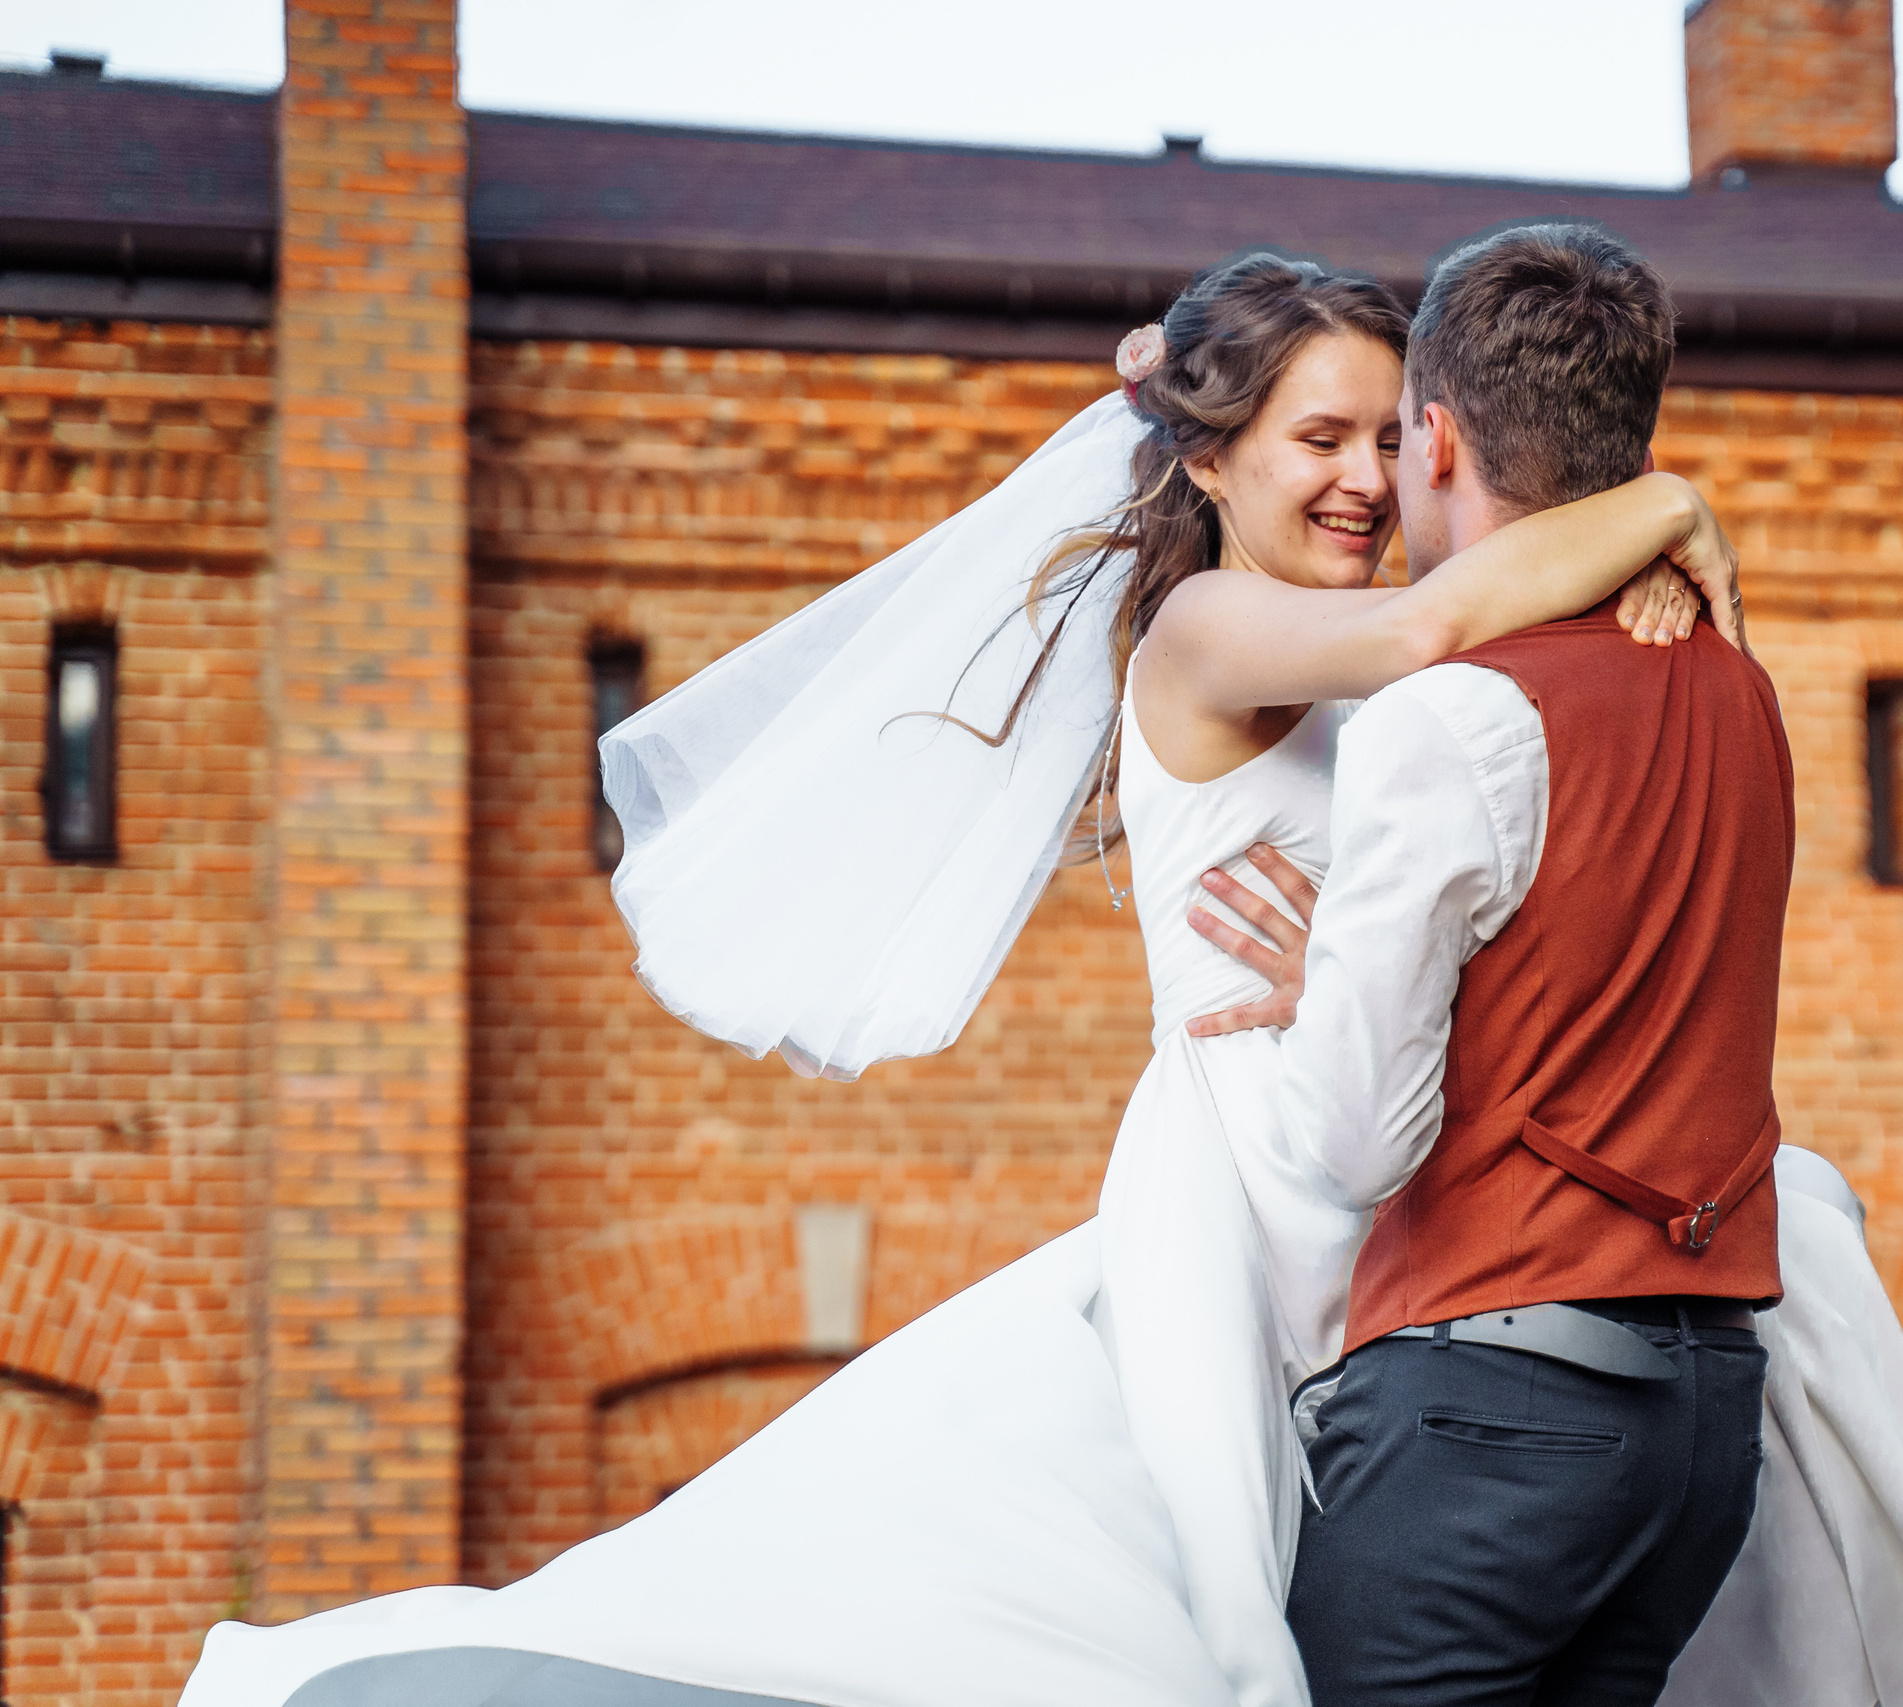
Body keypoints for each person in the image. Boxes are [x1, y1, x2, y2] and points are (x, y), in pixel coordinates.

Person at [174, 252, 1744, 1707]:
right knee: (1203, 1623)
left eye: (1386, 440)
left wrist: (1626, 585)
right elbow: (1432, 626)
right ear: (1210, 463)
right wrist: (1663, 506)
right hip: (1260, 1176)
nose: (1364, 477)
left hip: (1402, 1157)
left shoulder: (1384, 650)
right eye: (1318, 439)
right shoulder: (1212, 630)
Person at [1187, 228, 1903, 1707]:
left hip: (1490, 1400)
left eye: (1390, 441)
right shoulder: (1740, 686)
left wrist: (1333, 990)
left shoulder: (1444, 714)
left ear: (1440, 441)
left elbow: (1354, 1141)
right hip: (1703, 1421)